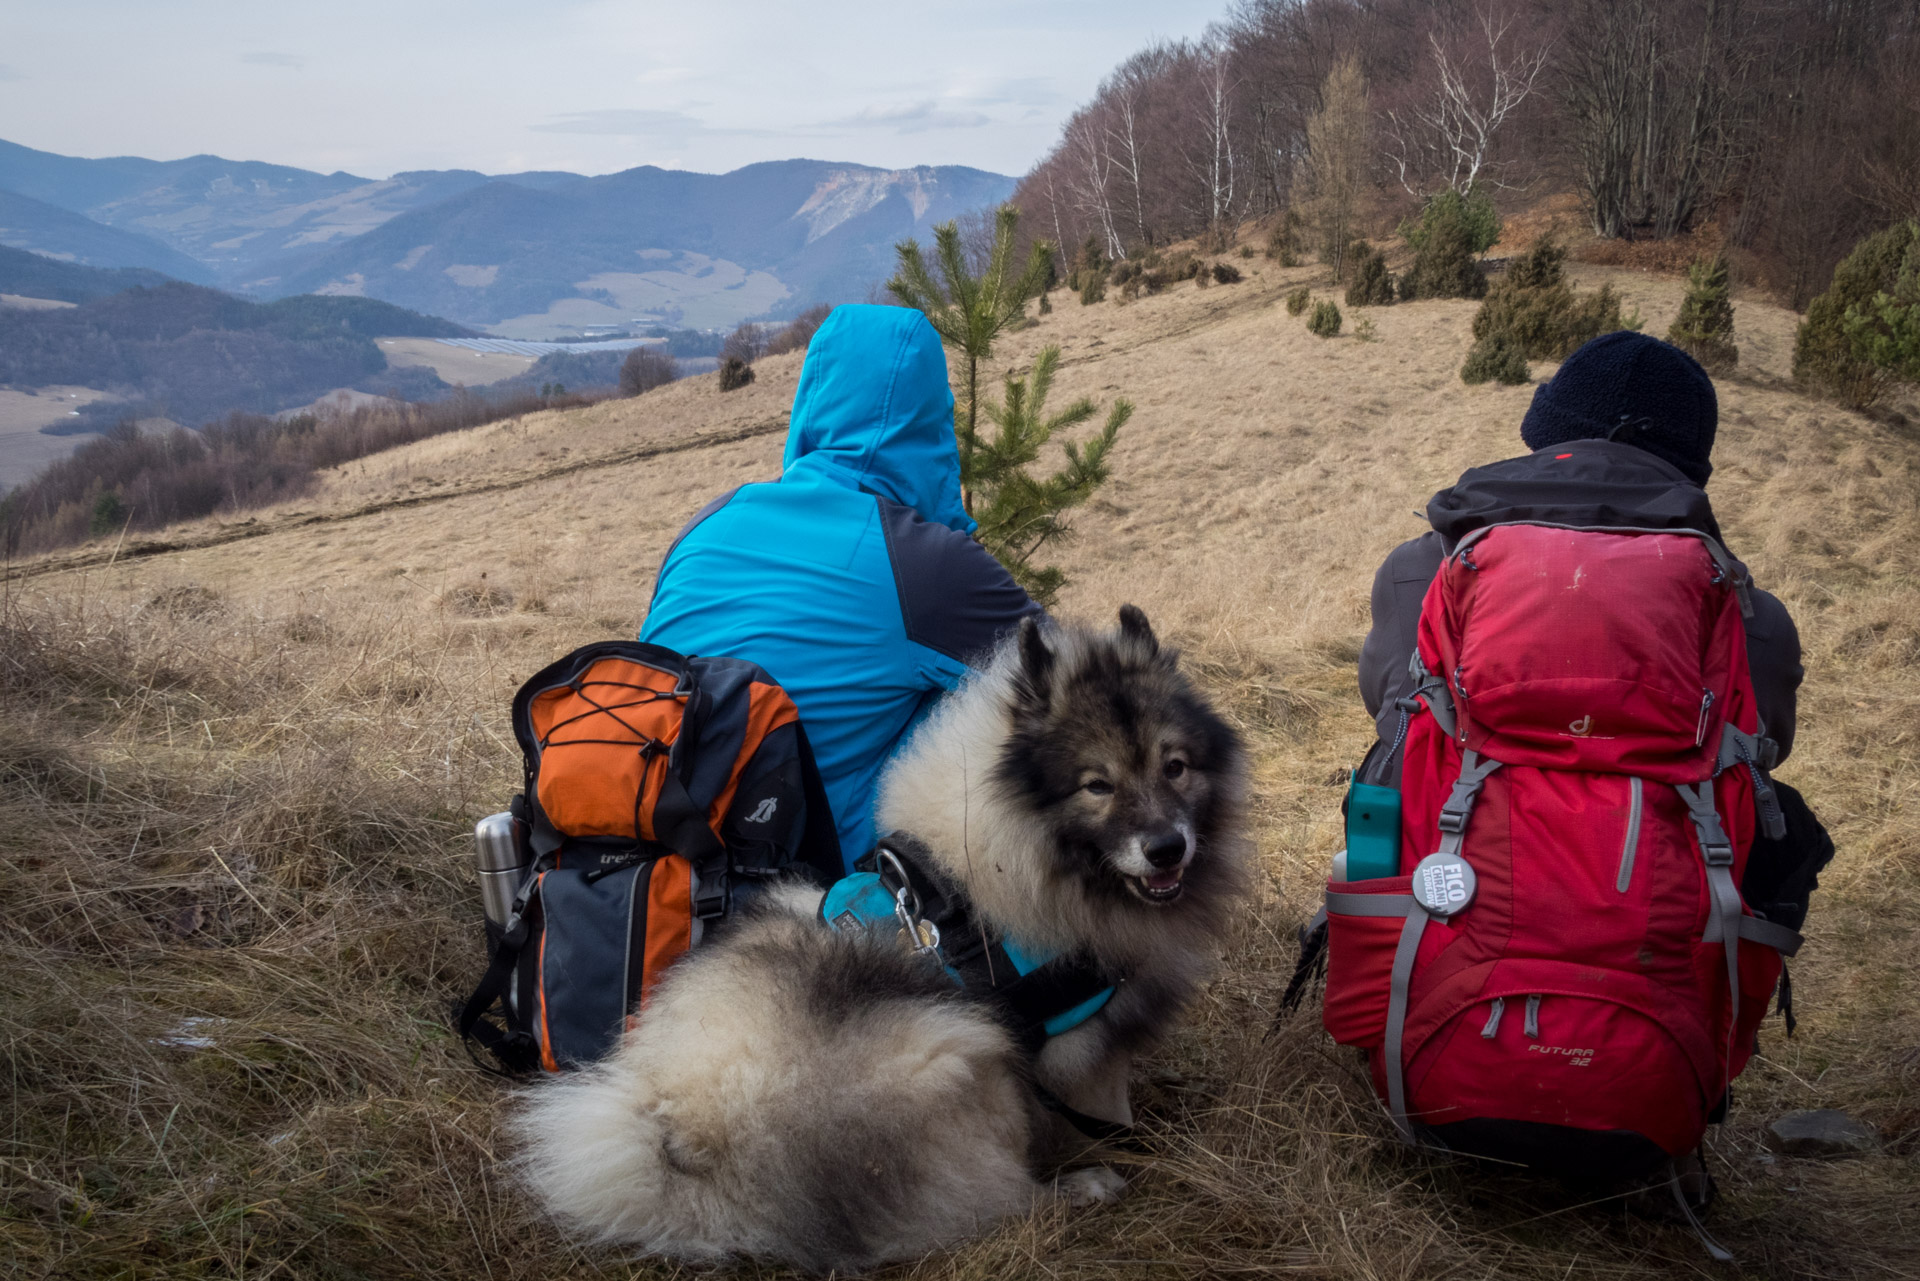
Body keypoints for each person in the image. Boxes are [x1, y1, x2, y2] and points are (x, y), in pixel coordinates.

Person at [1357, 330, 1830, 935]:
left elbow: (1387, 708)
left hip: (1447, 911)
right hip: (1658, 941)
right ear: (1688, 466)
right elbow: (1767, 745)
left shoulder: (1419, 572)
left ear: (1543, 435)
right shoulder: (1750, 616)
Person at [640, 305, 1040, 870]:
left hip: (659, 864)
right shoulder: (921, 560)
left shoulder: (706, 526)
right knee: (985, 697)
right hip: (814, 899)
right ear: (930, 422)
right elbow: (1072, 677)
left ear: (811, 403)